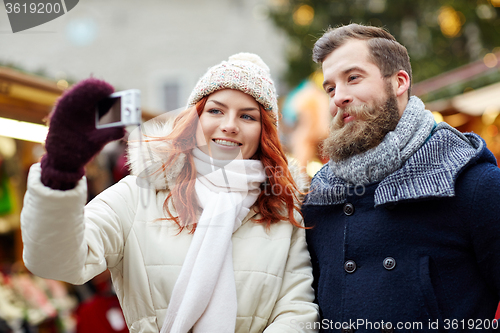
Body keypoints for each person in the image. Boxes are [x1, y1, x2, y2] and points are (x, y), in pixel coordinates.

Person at [20, 53, 319, 332]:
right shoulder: (139, 195)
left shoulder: (281, 210)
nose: (229, 125)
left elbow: (296, 310)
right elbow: (54, 260)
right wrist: (60, 175)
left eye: (247, 116)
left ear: (263, 132)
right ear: (194, 121)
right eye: (215, 110)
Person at [302, 23, 500, 332]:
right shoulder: (320, 197)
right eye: (330, 88)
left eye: (353, 78)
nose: (338, 97)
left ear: (399, 82)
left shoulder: (472, 184)